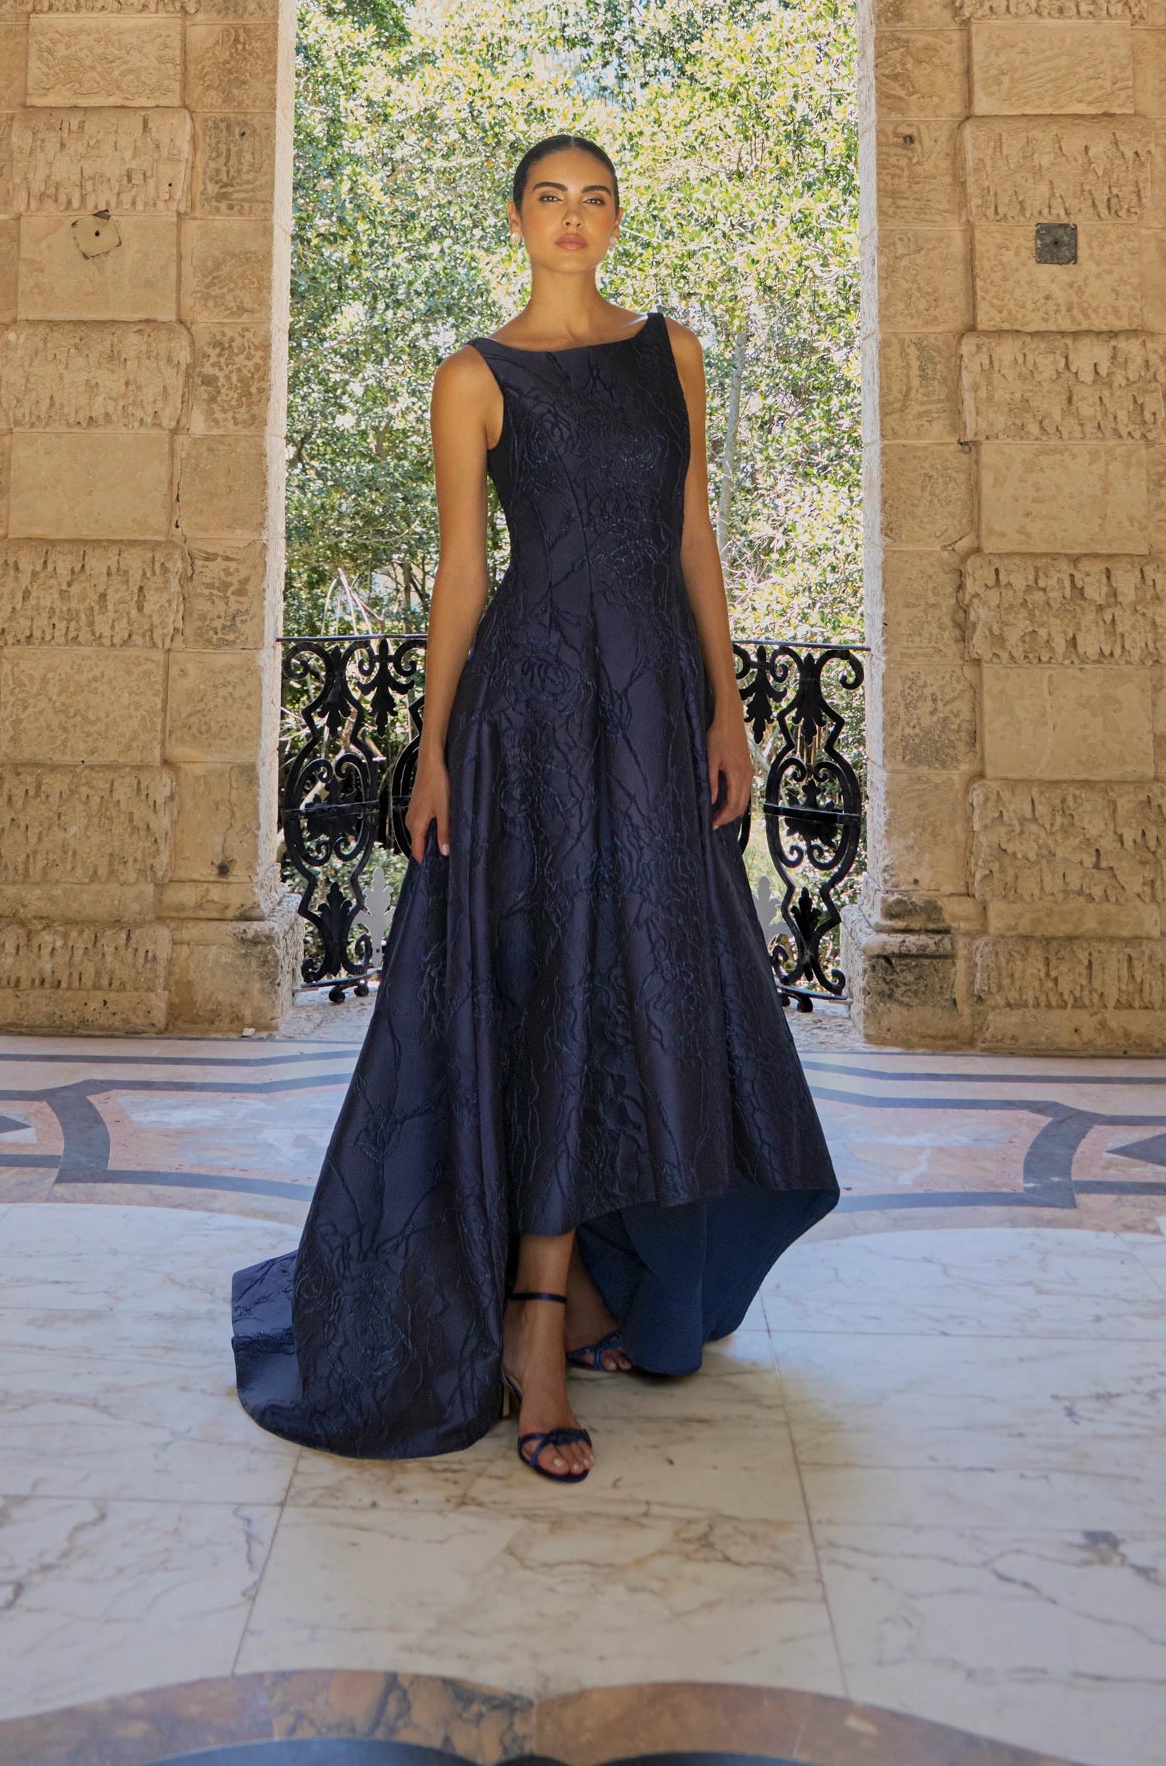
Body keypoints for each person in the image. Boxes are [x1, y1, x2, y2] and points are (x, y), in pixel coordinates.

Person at [231, 134, 838, 1479]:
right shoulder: (474, 376)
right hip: (533, 714)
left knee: (639, 982)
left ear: (617, 219)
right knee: (555, 985)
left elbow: (693, 533)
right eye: (550, 199)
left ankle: (590, 1283)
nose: (574, 218)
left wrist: (727, 709)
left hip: (656, 706)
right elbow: (463, 574)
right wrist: (433, 750)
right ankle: (539, 1324)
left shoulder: (672, 352)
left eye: (595, 198)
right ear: (516, 219)